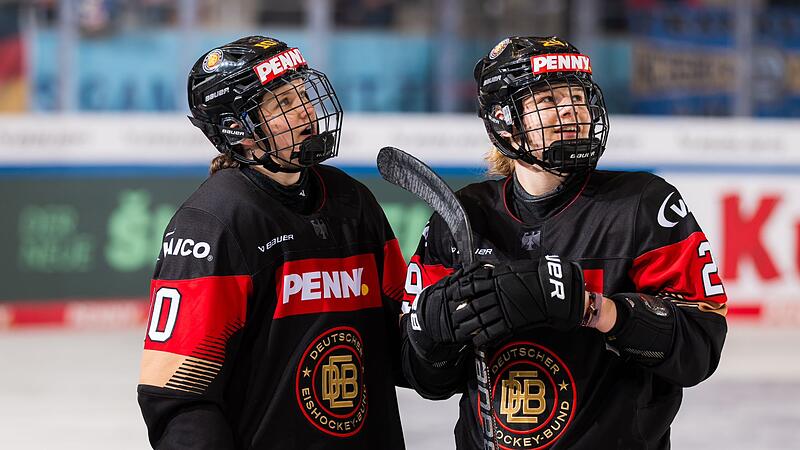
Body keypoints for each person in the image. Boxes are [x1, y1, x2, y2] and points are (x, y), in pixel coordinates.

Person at [400, 36, 727, 450]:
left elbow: (699, 348)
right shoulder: (461, 218)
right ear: (504, 121)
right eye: (550, 100)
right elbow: (425, 379)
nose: (572, 112)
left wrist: (598, 311)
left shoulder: (644, 205)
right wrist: (432, 330)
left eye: (577, 96)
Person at [137, 36, 408, 449]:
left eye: (303, 94)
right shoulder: (213, 223)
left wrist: (443, 321)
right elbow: (178, 397)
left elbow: (407, 351)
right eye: (284, 103)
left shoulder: (353, 202)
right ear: (237, 128)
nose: (306, 112)